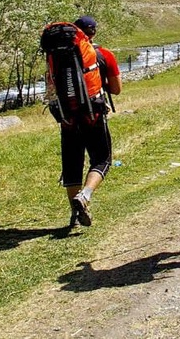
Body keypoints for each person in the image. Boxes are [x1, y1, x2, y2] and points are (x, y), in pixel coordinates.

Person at [50, 15, 122, 229]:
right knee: (102, 159)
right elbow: (117, 89)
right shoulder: (103, 54)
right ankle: (85, 196)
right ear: (93, 33)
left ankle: (74, 215)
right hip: (93, 114)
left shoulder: (56, 55)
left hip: (67, 116)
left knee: (72, 164)